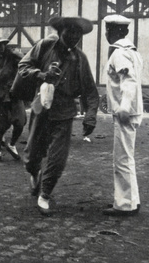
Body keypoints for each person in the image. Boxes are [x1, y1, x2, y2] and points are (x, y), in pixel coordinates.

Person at [14, 16, 99, 216]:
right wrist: (42, 75)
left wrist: (91, 115)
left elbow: (91, 91)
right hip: (41, 108)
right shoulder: (44, 47)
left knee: (58, 157)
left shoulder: (80, 59)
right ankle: (35, 173)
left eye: (78, 33)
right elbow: (23, 67)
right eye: (70, 31)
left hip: (65, 111)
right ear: (61, 31)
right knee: (32, 155)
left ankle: (45, 193)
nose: (74, 37)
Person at [102, 14, 143, 217]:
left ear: (116, 32)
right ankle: (132, 201)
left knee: (122, 160)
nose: (106, 34)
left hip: (125, 113)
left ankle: (124, 205)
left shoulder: (119, 54)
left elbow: (128, 81)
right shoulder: (133, 52)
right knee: (128, 158)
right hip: (132, 111)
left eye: (108, 30)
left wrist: (123, 107)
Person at [0, 34, 26, 163]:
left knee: (20, 121)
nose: (0, 47)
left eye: (2, 44)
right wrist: (10, 65)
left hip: (15, 93)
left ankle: (12, 144)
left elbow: (25, 66)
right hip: (0, 95)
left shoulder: (14, 57)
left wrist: (18, 58)